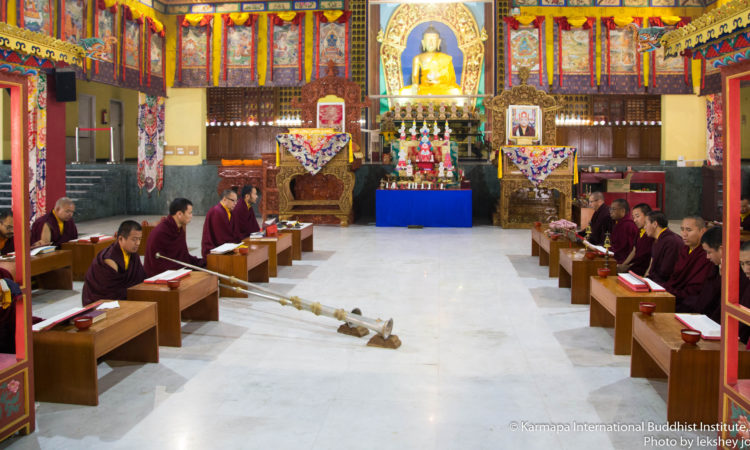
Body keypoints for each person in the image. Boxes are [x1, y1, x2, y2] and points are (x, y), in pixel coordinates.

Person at [81, 220, 145, 306]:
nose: (138, 243)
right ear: (121, 239)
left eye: (140, 239)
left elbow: (139, 278)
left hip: (122, 297)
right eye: (134, 239)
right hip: (99, 302)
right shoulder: (110, 259)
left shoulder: (133, 255)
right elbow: (111, 293)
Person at [144, 198, 205, 277]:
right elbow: (157, 264)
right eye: (189, 213)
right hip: (160, 275)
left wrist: (201, 262)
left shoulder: (179, 230)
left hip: (178, 269)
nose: (191, 216)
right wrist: (186, 268)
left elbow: (184, 256)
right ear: (179, 214)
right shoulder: (160, 232)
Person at [399, 25, 462, 97]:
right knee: (403, 92)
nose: (431, 43)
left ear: (438, 42)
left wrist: (438, 80)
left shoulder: (445, 58)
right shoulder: (417, 58)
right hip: (424, 88)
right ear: (423, 43)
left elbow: (451, 79)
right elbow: (414, 76)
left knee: (456, 91)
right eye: (428, 40)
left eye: (434, 40)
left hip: (440, 88)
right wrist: (415, 85)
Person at [676, 226, 722, 321]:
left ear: (722, 249)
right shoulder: (715, 266)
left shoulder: (737, 271)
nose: (707, 257)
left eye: (709, 252)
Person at [662, 216, 713, 300]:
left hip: (691, 299)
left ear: (702, 231)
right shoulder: (685, 250)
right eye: (682, 229)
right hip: (675, 292)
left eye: (689, 230)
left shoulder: (706, 254)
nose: (684, 234)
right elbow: (675, 277)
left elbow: (696, 288)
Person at [644, 210, 683, 284]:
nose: (644, 227)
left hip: (666, 284)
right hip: (656, 280)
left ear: (655, 224)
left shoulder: (671, 241)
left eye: (646, 223)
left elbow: (666, 271)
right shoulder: (658, 240)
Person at [201, 189, 239, 258]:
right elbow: (220, 238)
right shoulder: (217, 211)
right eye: (233, 200)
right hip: (214, 249)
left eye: (236, 201)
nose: (235, 203)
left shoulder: (229, 211)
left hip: (226, 246)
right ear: (224, 199)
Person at [617, 203, 654, 275]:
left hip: (643, 269)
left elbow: (653, 257)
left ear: (647, 216)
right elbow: (634, 250)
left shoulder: (651, 234)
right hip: (635, 266)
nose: (634, 220)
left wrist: (646, 275)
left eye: (637, 216)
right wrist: (623, 265)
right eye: (633, 217)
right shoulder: (639, 231)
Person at [608, 198, 638, 265]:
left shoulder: (629, 225)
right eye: (610, 209)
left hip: (622, 261)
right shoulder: (618, 223)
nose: (610, 211)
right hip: (614, 257)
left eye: (613, 209)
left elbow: (629, 249)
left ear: (622, 211)